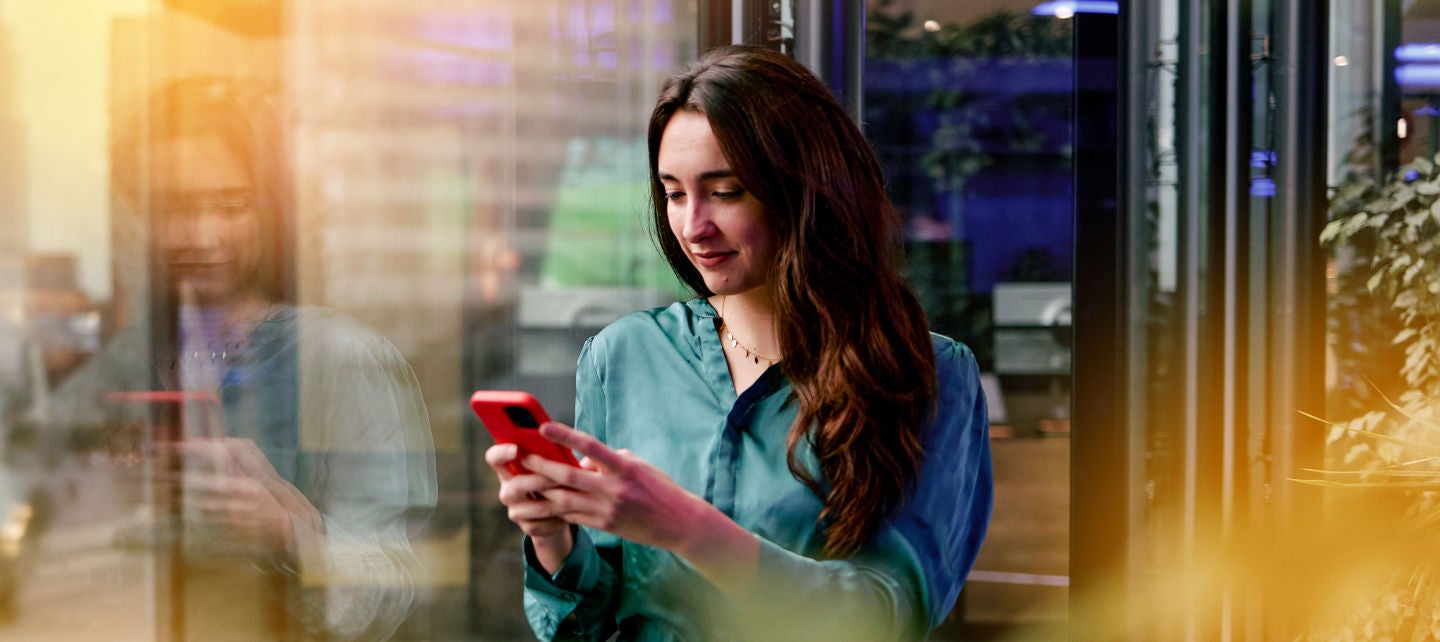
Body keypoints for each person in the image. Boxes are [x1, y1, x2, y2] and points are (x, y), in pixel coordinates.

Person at [485, 45, 993, 641]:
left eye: (724, 192)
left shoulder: (926, 373)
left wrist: (685, 527)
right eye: (674, 193)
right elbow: (589, 624)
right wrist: (553, 537)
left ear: (805, 191)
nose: (693, 226)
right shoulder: (622, 356)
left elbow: (887, 617)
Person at [51, 76, 436, 641]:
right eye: (172, 208)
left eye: (229, 205)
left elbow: (399, 585)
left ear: (269, 209)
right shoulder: (126, 359)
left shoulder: (339, 357)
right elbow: (39, 508)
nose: (201, 236)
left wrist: (285, 531)